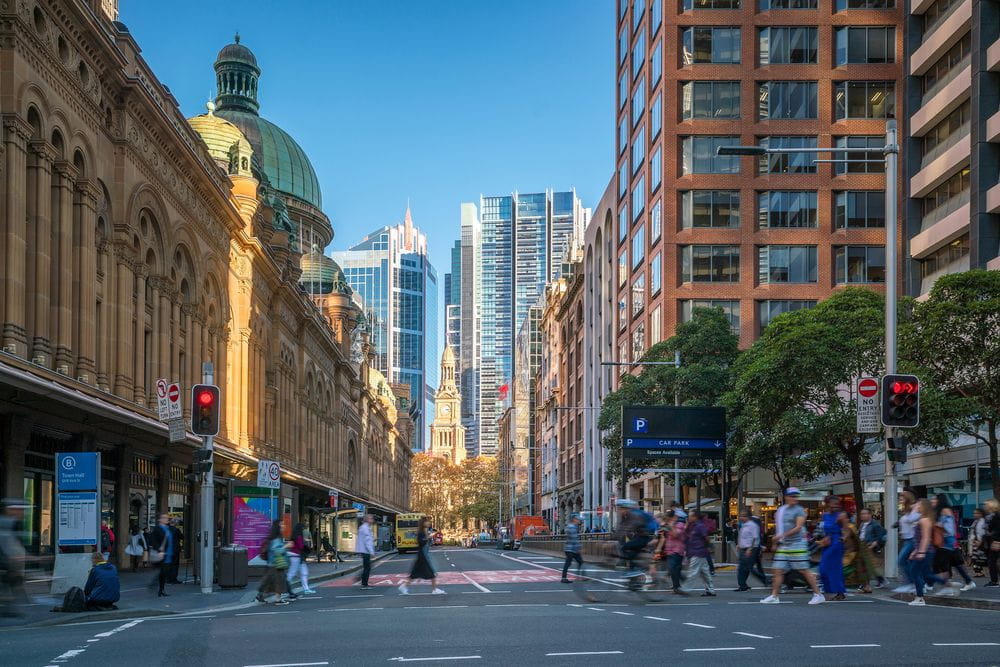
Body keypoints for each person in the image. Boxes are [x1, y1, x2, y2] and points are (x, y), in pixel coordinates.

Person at [761, 488, 825, 605]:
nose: (794, 498)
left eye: (796, 496)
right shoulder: (781, 510)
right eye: (792, 496)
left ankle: (818, 594)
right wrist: (776, 542)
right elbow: (779, 527)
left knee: (803, 570)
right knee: (777, 569)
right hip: (785, 544)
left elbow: (798, 527)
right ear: (786, 497)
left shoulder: (800, 510)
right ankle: (774, 596)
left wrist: (781, 536)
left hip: (797, 543)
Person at [908, 498, 953, 606]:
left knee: (914, 572)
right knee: (926, 574)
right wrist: (916, 551)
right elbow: (919, 539)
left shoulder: (924, 520)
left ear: (923, 507)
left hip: (926, 551)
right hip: (925, 551)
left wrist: (921, 552)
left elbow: (926, 538)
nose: (916, 507)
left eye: (918, 505)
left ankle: (919, 598)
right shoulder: (924, 519)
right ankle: (946, 583)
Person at [932, 494, 974, 593]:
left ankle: (948, 586)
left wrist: (937, 525)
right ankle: (966, 582)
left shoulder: (945, 511)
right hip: (948, 541)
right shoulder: (942, 511)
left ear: (939, 501)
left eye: (934, 500)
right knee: (954, 563)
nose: (932, 502)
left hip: (946, 541)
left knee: (940, 563)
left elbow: (949, 529)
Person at [399, 517, 444, 595]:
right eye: (427, 522)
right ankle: (434, 589)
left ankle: (404, 586)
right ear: (423, 523)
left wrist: (429, 537)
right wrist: (428, 537)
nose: (429, 523)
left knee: (414, 573)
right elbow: (421, 542)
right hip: (423, 556)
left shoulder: (425, 531)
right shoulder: (421, 532)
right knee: (431, 572)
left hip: (424, 555)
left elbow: (427, 543)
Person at [0, 498, 28, 617]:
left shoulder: (14, 523)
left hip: (9, 563)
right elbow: (7, 543)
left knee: (13, 585)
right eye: (19, 510)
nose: (22, 513)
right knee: (12, 584)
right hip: (6, 562)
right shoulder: (6, 523)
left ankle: (10, 610)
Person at [818, 496, 847, 601]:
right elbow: (822, 530)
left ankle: (839, 592)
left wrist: (842, 538)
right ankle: (832, 590)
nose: (835, 506)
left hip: (836, 543)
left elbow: (846, 530)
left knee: (834, 568)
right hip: (828, 542)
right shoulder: (825, 515)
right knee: (823, 569)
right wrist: (823, 539)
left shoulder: (841, 515)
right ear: (827, 504)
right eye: (833, 504)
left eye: (837, 504)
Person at [256, 520, 291, 604]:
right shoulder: (276, 539)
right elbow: (277, 551)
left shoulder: (273, 538)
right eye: (281, 524)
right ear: (278, 527)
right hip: (276, 564)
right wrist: (286, 546)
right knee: (279, 582)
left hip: (272, 564)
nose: (283, 526)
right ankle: (278, 599)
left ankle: (260, 596)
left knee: (269, 581)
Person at [893, 488, 921, 593]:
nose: (900, 499)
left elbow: (914, 518)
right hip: (906, 539)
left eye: (901, 497)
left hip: (912, 539)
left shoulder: (915, 507)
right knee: (908, 562)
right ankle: (914, 583)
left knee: (901, 560)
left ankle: (910, 583)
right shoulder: (905, 510)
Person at [682, 510, 715, 596]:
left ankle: (686, 589)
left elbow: (706, 537)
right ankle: (710, 589)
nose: (688, 518)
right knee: (705, 572)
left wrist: (709, 546)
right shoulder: (692, 526)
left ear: (695, 517)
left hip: (698, 551)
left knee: (693, 571)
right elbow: (686, 536)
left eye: (690, 516)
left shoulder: (700, 526)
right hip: (697, 551)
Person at [841, 511, 874, 594]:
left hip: (852, 553)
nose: (840, 518)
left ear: (847, 519)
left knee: (847, 569)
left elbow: (846, 537)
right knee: (859, 570)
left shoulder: (850, 527)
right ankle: (865, 586)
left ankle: (865, 585)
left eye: (842, 517)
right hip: (848, 553)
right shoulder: (842, 527)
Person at [857, 508, 887, 589]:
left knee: (871, 566)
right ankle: (869, 582)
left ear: (870, 515)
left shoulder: (875, 524)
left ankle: (879, 580)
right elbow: (861, 534)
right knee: (866, 565)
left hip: (870, 547)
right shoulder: (862, 524)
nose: (862, 515)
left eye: (864, 513)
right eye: (861, 514)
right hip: (863, 545)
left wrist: (875, 543)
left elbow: (882, 535)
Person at [736, 510, 764, 591]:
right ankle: (742, 585)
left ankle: (765, 579)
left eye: (743, 516)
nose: (741, 517)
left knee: (748, 568)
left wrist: (750, 549)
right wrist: (739, 544)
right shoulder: (743, 525)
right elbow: (743, 536)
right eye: (741, 516)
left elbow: (755, 538)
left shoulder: (752, 525)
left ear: (748, 517)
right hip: (743, 548)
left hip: (749, 549)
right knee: (743, 568)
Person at [147, 513, 173, 597]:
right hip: (162, 554)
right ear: (160, 519)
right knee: (163, 571)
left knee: (165, 572)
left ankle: (161, 589)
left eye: (167, 518)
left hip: (168, 553)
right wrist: (159, 550)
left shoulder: (168, 528)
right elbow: (152, 540)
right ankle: (157, 587)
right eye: (164, 518)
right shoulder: (157, 529)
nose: (166, 519)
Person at [287, 522, 316, 596]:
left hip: (295, 555)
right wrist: (304, 543)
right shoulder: (299, 536)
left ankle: (306, 589)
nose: (304, 530)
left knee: (303, 572)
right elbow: (300, 546)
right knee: (294, 573)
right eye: (303, 528)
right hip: (297, 556)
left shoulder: (294, 535)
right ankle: (285, 586)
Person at [560, 513, 583, 583]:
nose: (579, 521)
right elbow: (574, 538)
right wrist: (579, 547)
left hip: (570, 548)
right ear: (574, 520)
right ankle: (565, 578)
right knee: (570, 563)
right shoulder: (572, 527)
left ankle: (576, 577)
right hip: (571, 549)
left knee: (578, 562)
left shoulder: (571, 526)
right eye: (578, 519)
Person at [983, 498, 1000, 587]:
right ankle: (994, 580)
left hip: (995, 541)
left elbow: (998, 529)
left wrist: (997, 541)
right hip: (990, 542)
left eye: (986, 504)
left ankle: (994, 581)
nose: (984, 506)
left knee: (992, 561)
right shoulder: (988, 516)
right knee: (992, 561)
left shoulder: (996, 516)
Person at [357, 514, 376, 589]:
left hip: (364, 550)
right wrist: (371, 552)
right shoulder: (365, 528)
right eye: (371, 518)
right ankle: (364, 584)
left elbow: (367, 539)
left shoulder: (365, 527)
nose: (372, 520)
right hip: (366, 551)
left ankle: (362, 579)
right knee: (367, 567)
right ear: (367, 520)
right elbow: (367, 541)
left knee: (367, 567)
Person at [970, 507, 988, 578]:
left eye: (977, 513)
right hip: (975, 541)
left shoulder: (983, 521)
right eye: (974, 513)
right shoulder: (975, 521)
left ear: (981, 514)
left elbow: (982, 532)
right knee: (975, 558)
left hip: (980, 541)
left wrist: (980, 541)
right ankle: (978, 572)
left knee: (981, 557)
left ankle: (981, 571)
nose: (975, 515)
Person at [166, 518, 183, 584]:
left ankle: (167, 578)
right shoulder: (176, 530)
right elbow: (182, 537)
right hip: (175, 549)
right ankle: (173, 579)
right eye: (176, 522)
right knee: (175, 564)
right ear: (174, 523)